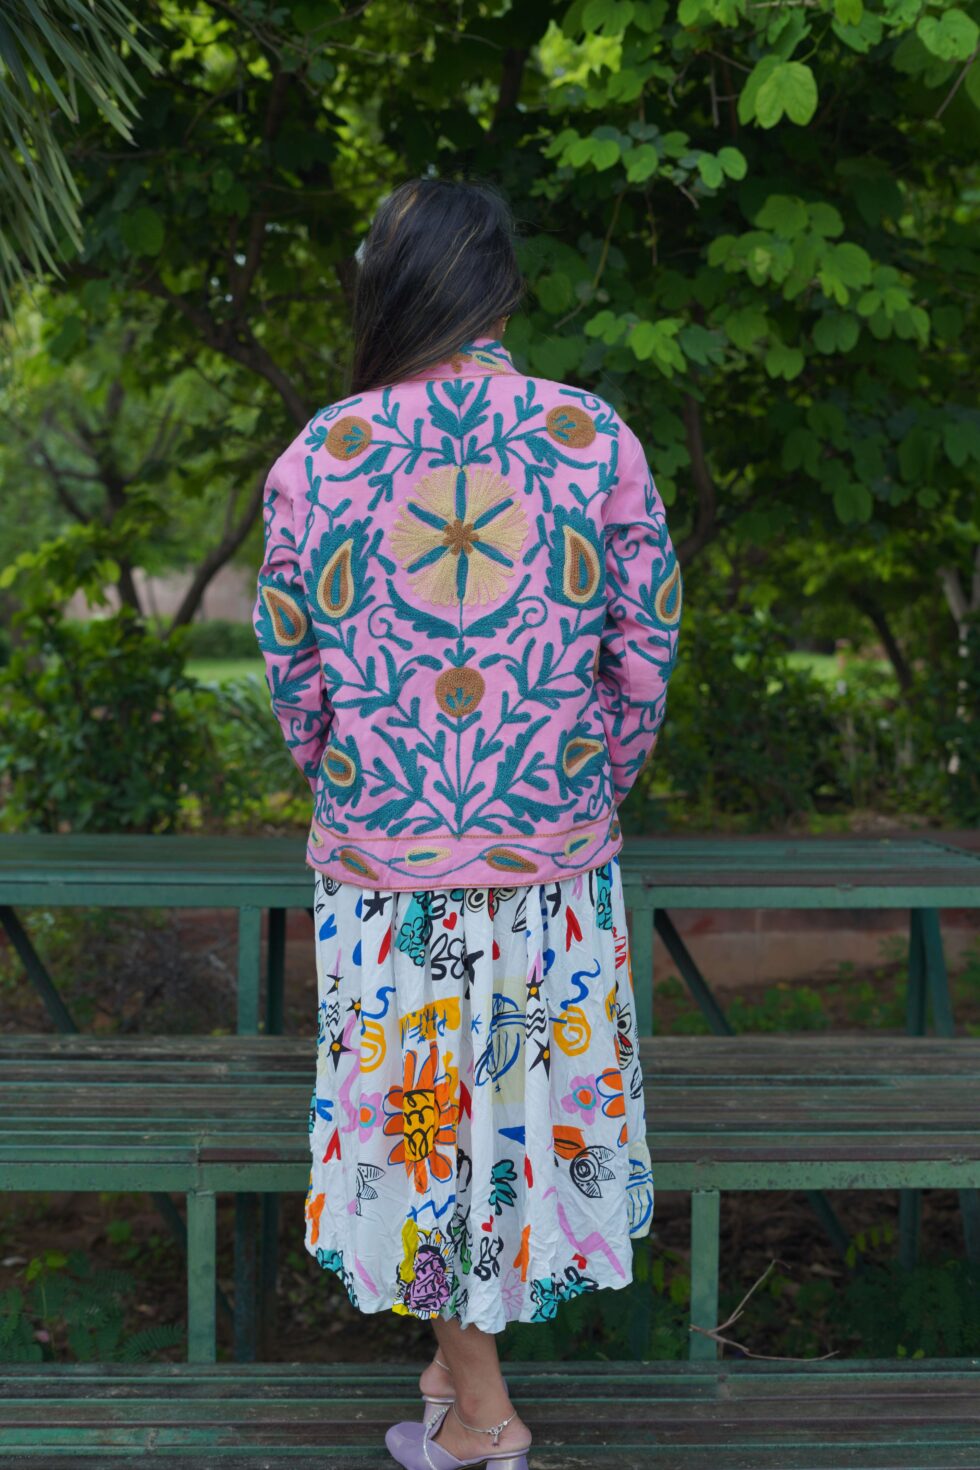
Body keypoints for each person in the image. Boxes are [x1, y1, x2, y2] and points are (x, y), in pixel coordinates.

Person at [252, 177, 682, 1470]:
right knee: (513, 1123)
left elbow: (293, 673)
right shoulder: (592, 436)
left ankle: (482, 1417)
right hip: (551, 867)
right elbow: (647, 646)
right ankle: (465, 1388)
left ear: (385, 287)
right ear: (502, 287)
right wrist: (583, 784)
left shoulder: (320, 455)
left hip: (389, 878)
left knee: (429, 1130)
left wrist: (358, 782)